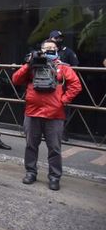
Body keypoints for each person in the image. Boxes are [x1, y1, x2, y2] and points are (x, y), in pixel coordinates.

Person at [12, 39, 81, 190]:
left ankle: (54, 177)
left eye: (53, 48)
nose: (50, 51)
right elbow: (16, 79)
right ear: (41, 50)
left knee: (54, 148)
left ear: (57, 51)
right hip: (32, 112)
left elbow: (76, 85)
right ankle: (30, 172)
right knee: (31, 145)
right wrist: (28, 65)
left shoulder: (63, 68)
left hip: (55, 114)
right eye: (46, 49)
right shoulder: (32, 66)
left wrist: (63, 100)